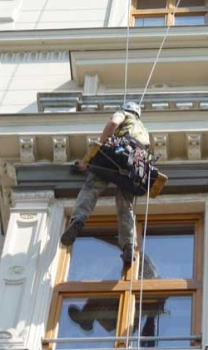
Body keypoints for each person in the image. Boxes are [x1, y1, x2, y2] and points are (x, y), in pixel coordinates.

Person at [60, 101, 168, 267]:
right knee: (126, 204)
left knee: (92, 185)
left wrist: (101, 146)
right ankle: (128, 244)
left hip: (118, 152)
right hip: (137, 162)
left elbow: (113, 123)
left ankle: (78, 219)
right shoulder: (143, 130)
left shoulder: (124, 114)